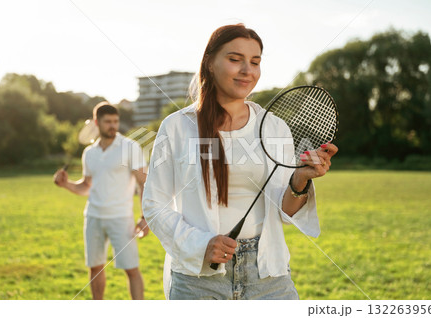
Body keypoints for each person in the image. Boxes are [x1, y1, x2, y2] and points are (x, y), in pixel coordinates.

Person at [142, 24, 338, 300]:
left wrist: (300, 180)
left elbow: (284, 210)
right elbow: (154, 205)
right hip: (199, 279)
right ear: (209, 63)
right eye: (235, 60)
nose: (248, 70)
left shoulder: (275, 128)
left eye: (255, 62)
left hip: (268, 276)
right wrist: (201, 245)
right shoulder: (177, 126)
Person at [54, 102, 149, 300]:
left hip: (121, 219)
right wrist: (66, 184)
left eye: (115, 121)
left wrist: (144, 216)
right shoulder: (89, 153)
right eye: (108, 122)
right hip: (94, 217)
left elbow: (143, 183)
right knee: (95, 268)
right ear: (97, 123)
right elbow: (86, 186)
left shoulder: (129, 147)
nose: (113, 126)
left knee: (131, 269)